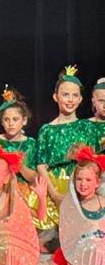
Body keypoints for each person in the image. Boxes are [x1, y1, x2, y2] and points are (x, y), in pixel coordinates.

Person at [35, 65, 97, 245]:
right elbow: (41, 165)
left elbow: (92, 162)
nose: (70, 100)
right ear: (56, 97)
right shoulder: (47, 130)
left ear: (81, 99)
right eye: (65, 95)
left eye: (75, 95)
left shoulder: (87, 127)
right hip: (54, 185)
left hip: (79, 183)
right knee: (49, 239)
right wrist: (54, 193)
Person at [56, 148, 105, 265]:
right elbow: (68, 233)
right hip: (81, 248)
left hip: (101, 246)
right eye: (79, 179)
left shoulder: (103, 202)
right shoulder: (71, 205)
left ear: (97, 183)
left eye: (88, 180)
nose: (83, 183)